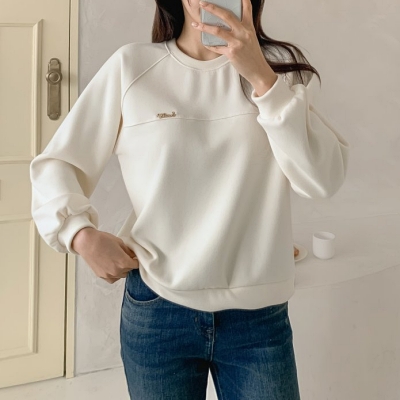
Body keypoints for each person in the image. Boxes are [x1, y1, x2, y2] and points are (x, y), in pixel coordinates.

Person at [29, 0, 350, 398]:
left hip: (258, 315)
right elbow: (58, 163)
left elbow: (323, 180)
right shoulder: (132, 67)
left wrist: (261, 78)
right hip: (158, 307)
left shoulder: (283, 72)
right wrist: (80, 234)